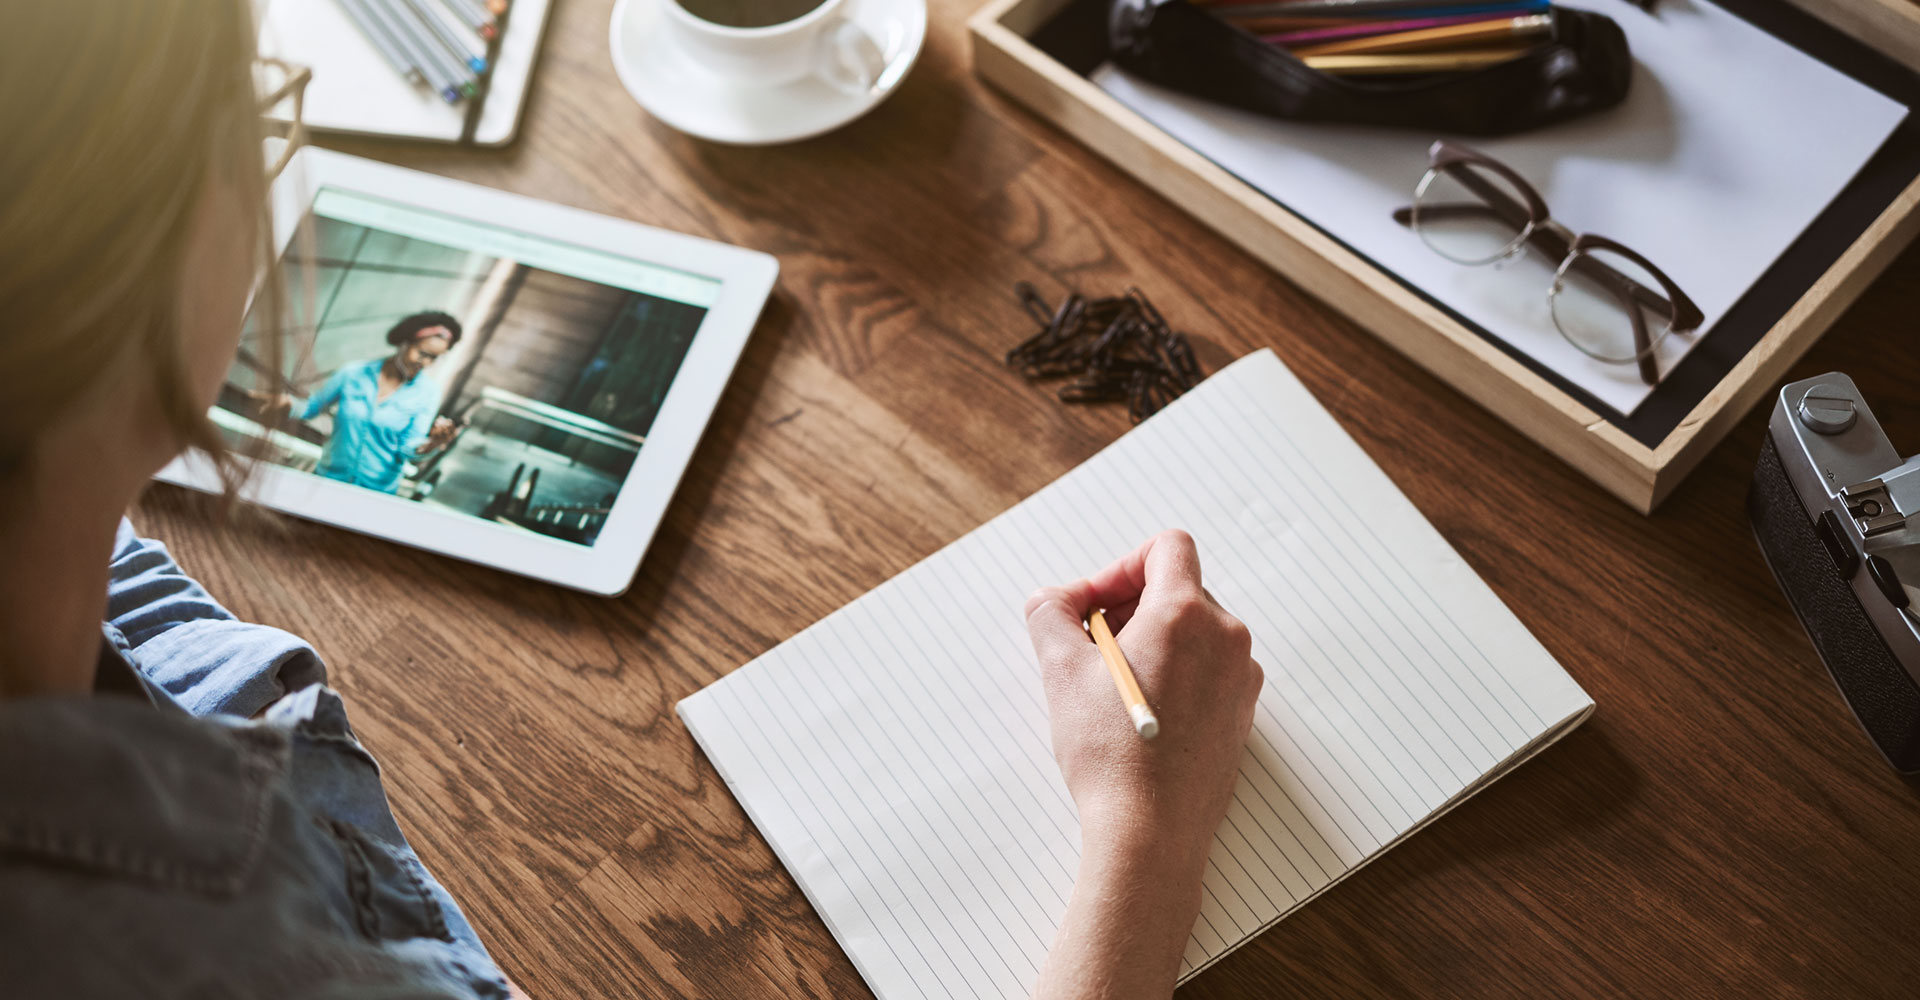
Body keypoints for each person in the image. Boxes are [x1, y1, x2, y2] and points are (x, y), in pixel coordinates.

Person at [0, 3, 1263, 999]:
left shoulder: (69, 570)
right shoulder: (217, 957)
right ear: (120, 258)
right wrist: (1141, 828)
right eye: (255, 121)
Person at [266, 311, 465, 494]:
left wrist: (432, 444)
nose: (425, 363)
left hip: (376, 494)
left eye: (434, 359)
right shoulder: (353, 374)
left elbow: (408, 447)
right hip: (327, 481)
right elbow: (311, 407)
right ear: (404, 342)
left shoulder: (428, 393)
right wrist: (287, 403)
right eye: (423, 353)